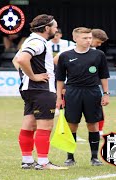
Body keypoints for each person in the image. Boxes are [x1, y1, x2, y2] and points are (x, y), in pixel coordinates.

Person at [14, 14, 67, 170]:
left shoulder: (30, 40)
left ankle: (27, 160)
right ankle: (43, 163)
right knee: (45, 126)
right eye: (55, 26)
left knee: (28, 125)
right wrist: (33, 76)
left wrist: (27, 77)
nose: (56, 29)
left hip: (29, 89)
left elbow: (16, 59)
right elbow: (22, 59)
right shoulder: (38, 42)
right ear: (46, 28)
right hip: (42, 89)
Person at [56, 27, 110, 166]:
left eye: (90, 38)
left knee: (93, 125)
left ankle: (94, 158)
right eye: (85, 38)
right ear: (75, 39)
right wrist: (58, 98)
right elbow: (60, 79)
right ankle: (70, 157)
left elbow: (104, 76)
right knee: (72, 125)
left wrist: (106, 94)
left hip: (92, 92)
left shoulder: (98, 55)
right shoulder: (65, 56)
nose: (88, 40)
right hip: (72, 92)